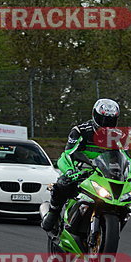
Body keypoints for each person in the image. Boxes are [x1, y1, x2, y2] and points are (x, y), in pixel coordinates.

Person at [41, 98, 122, 232]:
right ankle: (53, 213)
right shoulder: (80, 131)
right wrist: (69, 171)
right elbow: (66, 154)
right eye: (103, 120)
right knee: (63, 183)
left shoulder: (118, 136)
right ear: (94, 116)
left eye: (110, 121)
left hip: (104, 173)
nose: (106, 124)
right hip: (80, 170)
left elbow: (126, 158)